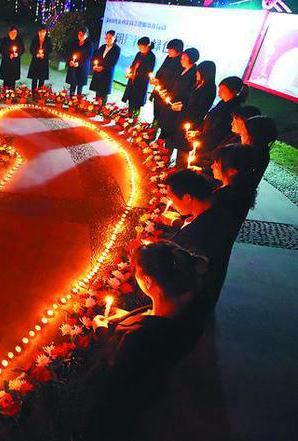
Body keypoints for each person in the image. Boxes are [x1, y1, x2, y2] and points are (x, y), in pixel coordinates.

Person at [81, 240, 207, 441]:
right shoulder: (190, 311)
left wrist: (102, 333)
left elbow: (114, 379)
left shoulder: (140, 340)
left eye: (137, 271)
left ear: (147, 281)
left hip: (115, 419)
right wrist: (128, 317)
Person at [166, 169, 241, 315]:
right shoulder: (216, 208)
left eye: (171, 197)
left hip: (190, 307)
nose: (171, 203)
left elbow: (179, 273)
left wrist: (154, 249)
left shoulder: (198, 234)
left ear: (188, 198)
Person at [190, 76, 249, 167]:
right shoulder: (223, 102)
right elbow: (210, 118)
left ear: (233, 92)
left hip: (211, 148)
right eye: (219, 89)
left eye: (223, 90)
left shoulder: (233, 110)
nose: (219, 92)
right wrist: (198, 131)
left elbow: (218, 131)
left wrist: (199, 136)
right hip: (204, 142)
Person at [169, 61, 217, 168]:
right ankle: (177, 167)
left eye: (198, 72)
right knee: (179, 144)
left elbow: (200, 108)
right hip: (184, 118)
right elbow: (189, 99)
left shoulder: (209, 88)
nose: (196, 74)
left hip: (193, 121)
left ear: (205, 73)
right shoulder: (198, 83)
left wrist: (183, 108)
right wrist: (181, 104)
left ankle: (180, 170)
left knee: (184, 147)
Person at [158, 47, 199, 141]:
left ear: (191, 59)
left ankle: (164, 153)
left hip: (177, 108)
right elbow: (173, 84)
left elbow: (189, 93)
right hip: (169, 104)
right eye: (182, 58)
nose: (181, 60)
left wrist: (181, 105)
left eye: (184, 58)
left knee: (169, 134)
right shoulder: (181, 69)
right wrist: (166, 92)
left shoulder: (193, 74)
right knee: (163, 130)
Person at [150, 39, 184, 124]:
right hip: (159, 89)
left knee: (162, 115)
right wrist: (156, 79)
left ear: (178, 51)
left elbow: (175, 80)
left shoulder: (181, 62)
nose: (168, 51)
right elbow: (161, 70)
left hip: (167, 93)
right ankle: (152, 129)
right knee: (156, 111)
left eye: (170, 50)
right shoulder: (168, 57)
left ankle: (155, 130)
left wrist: (166, 91)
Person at [122, 36, 156, 115]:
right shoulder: (139, 54)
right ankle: (127, 119)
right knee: (130, 100)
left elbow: (148, 71)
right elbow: (133, 65)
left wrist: (135, 75)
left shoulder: (151, 57)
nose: (140, 49)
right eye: (139, 47)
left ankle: (133, 121)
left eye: (141, 47)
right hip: (132, 81)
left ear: (147, 46)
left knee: (137, 102)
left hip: (141, 83)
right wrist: (129, 73)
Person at [89, 30, 121, 102]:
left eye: (110, 38)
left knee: (104, 93)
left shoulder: (116, 49)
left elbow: (113, 62)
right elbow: (96, 57)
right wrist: (94, 65)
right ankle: (96, 107)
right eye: (106, 38)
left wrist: (103, 67)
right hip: (98, 73)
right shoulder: (103, 47)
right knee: (97, 92)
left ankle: (102, 110)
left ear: (114, 38)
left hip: (107, 73)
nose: (108, 40)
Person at [65, 27, 93, 97]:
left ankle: (77, 101)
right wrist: (70, 61)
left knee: (79, 86)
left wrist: (79, 63)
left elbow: (88, 57)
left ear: (86, 35)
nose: (80, 36)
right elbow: (69, 53)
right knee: (72, 84)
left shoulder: (89, 44)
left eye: (82, 34)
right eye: (79, 34)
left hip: (82, 68)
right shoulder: (74, 42)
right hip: (73, 67)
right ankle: (70, 99)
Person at [27, 26, 53, 92]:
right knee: (34, 78)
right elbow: (31, 49)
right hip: (36, 61)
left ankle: (40, 93)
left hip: (44, 61)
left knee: (42, 78)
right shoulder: (35, 39)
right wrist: (36, 54)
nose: (43, 33)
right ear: (39, 32)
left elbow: (50, 49)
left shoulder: (48, 39)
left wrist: (44, 54)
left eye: (44, 32)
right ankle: (33, 92)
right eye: (42, 32)